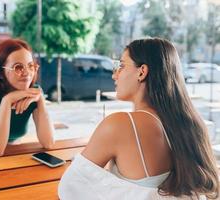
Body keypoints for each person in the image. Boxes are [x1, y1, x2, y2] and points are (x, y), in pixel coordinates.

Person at [58, 38, 219, 199]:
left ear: (142, 72)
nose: (114, 75)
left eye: (121, 66)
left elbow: (69, 188)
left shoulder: (119, 124)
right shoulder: (189, 124)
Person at [0, 38, 54, 156]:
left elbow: (48, 143)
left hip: (17, 155)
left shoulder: (33, 93)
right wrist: (7, 101)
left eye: (30, 66)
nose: (27, 73)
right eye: (18, 67)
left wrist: (41, 100)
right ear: (0, 73)